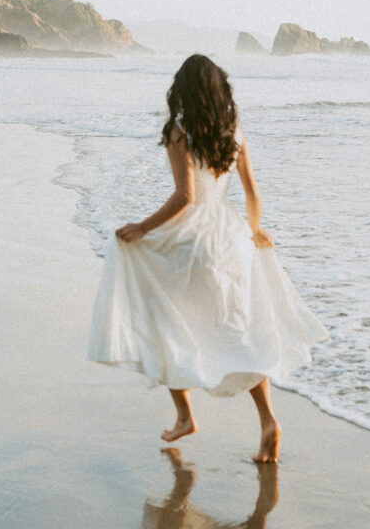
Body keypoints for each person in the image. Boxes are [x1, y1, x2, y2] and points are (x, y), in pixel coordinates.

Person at [87, 54, 327, 463]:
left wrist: (143, 228)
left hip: (193, 240)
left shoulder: (179, 130)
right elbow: (252, 192)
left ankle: (184, 416)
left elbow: (186, 197)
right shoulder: (235, 132)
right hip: (231, 237)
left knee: (164, 321)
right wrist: (254, 231)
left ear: (184, 90)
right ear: (220, 90)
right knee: (239, 329)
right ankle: (268, 420)